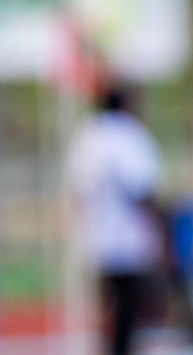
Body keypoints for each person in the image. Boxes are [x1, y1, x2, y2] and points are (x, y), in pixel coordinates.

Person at [66, 84, 164, 355]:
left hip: (96, 236)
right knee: (129, 306)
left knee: (106, 306)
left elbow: (77, 190)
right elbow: (141, 188)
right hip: (128, 237)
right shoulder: (128, 135)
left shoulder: (87, 136)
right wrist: (160, 228)